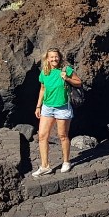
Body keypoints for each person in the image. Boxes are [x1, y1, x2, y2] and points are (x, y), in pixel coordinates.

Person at [32, 47, 82, 177]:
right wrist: (38, 106)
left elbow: (79, 83)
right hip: (47, 108)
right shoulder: (44, 72)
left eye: (56, 56)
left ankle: (66, 161)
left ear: (59, 57)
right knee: (42, 136)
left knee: (63, 136)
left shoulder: (66, 70)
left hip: (62, 108)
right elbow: (42, 89)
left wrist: (67, 79)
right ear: (47, 59)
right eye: (51, 57)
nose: (54, 59)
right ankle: (45, 166)